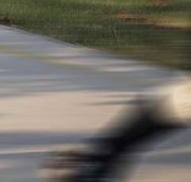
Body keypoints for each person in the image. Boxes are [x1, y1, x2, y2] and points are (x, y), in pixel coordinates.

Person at [44, 76, 191, 181]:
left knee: (118, 144)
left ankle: (82, 164)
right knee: (119, 144)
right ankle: (85, 163)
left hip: (171, 102)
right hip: (172, 103)